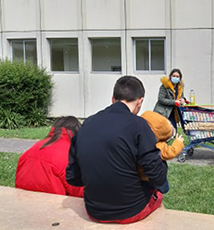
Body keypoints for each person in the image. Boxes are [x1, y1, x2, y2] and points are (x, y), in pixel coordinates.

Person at [66, 76, 167, 224]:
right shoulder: (139, 124)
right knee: (160, 187)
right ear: (140, 101)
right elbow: (157, 176)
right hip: (131, 210)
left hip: (94, 210)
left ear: (113, 99)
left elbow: (73, 177)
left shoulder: (87, 123)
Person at [15, 116, 83, 197]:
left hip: (22, 199)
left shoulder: (37, 146)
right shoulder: (68, 153)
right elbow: (78, 190)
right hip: (52, 204)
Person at [140, 110, 185, 194]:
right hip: (151, 176)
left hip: (139, 175)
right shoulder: (157, 146)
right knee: (158, 190)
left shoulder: (137, 140)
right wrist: (178, 142)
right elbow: (171, 152)